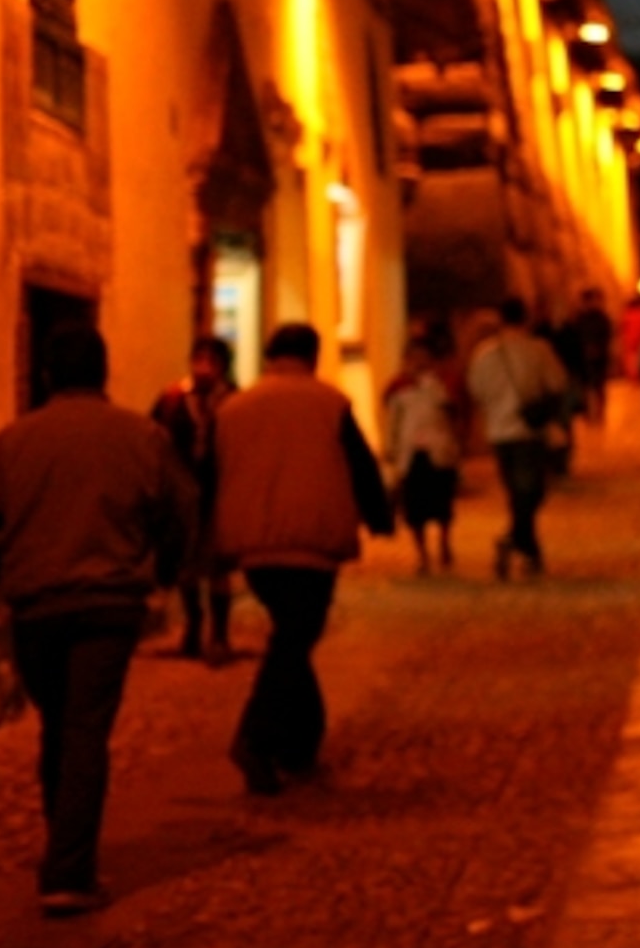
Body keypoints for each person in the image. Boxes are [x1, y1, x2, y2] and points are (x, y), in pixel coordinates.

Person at [0, 325, 197, 915]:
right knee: (86, 730)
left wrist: (3, 570)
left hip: (36, 604)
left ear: (45, 376)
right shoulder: (142, 437)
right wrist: (161, 569)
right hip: (109, 603)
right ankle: (68, 870)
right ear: (104, 371)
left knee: (58, 725)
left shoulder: (14, 442)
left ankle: (64, 849)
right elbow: (182, 510)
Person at [210, 323, 391, 796]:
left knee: (293, 635)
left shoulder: (233, 409)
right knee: (296, 637)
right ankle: (255, 737)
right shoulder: (330, 403)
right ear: (312, 355)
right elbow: (361, 464)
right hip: (312, 542)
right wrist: (380, 516)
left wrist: (207, 536)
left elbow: (211, 472)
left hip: (254, 545)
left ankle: (301, 741)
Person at [148, 333, 236, 662]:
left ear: (223, 367)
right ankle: (193, 626)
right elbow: (154, 439)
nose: (202, 369)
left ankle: (220, 633)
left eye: (210, 362)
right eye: (198, 360)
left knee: (218, 565)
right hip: (181, 496)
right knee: (186, 566)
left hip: (220, 493)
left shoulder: (233, 402)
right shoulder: (172, 400)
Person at [466, 301, 570, 578]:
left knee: (517, 493)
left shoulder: (484, 354)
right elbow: (558, 383)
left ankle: (526, 548)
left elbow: (476, 390)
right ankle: (515, 540)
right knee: (532, 492)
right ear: (526, 318)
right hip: (529, 432)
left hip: (499, 433)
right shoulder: (537, 350)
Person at [380, 334, 460, 572]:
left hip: (439, 450)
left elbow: (453, 410)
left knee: (442, 503)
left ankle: (445, 543)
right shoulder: (398, 387)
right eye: (414, 357)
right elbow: (392, 420)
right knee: (415, 507)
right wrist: (390, 448)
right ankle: (422, 552)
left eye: (423, 357)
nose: (419, 361)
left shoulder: (442, 383)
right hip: (411, 453)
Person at [565, 287, 615, 428]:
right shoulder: (580, 318)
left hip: (599, 356)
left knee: (598, 386)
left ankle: (599, 413)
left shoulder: (601, 318)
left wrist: (599, 348)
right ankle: (588, 413)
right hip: (583, 357)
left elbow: (607, 335)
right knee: (586, 386)